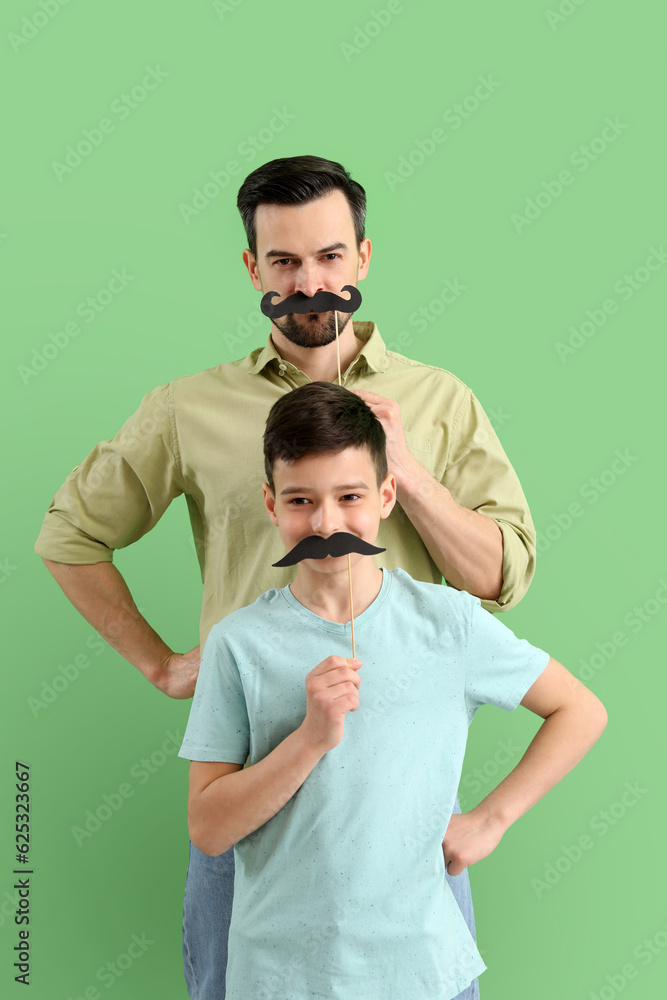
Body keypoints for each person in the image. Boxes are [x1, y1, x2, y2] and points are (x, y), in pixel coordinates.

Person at [35, 155, 537, 999]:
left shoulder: (441, 401)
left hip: (399, 810)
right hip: (247, 796)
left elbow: (503, 577)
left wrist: (406, 471)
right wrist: (161, 665)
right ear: (252, 269)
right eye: (285, 262)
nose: (312, 283)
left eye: (331, 257)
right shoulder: (188, 409)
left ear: (364, 258)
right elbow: (70, 536)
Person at [180, 381, 607, 1000]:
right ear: (271, 506)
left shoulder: (449, 623)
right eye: (301, 500)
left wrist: (490, 819)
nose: (326, 523)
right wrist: (309, 739)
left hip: (425, 975)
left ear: (386, 496)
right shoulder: (237, 644)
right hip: (280, 980)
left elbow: (579, 710)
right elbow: (209, 828)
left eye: (349, 496)